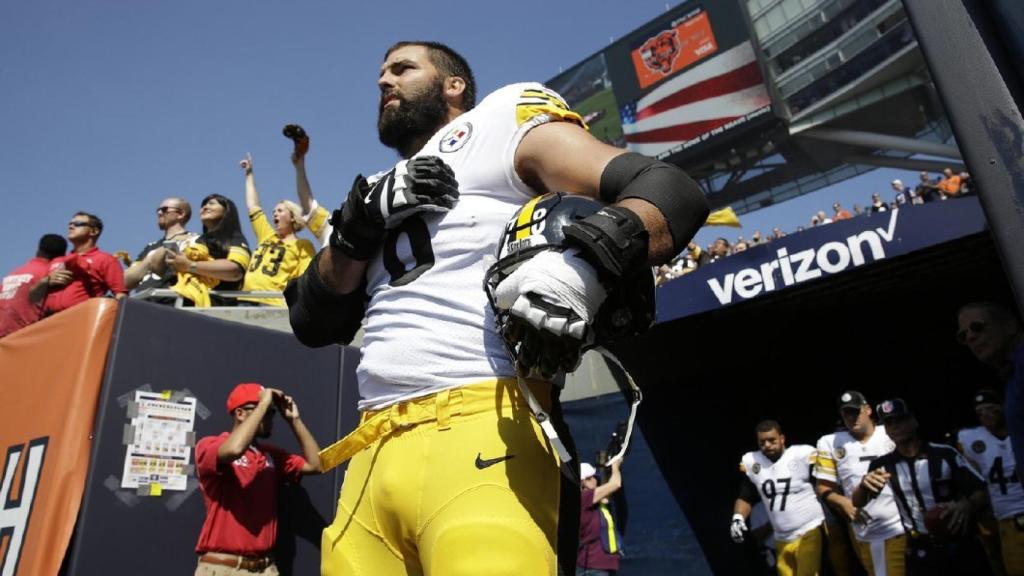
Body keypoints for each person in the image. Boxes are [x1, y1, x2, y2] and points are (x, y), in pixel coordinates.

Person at [285, 41, 708, 576]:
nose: (384, 81)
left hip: (488, 419)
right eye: (381, 73)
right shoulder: (371, 190)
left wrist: (584, 265)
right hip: (371, 447)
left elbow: (669, 191)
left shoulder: (499, 120)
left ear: (453, 84)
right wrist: (357, 227)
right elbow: (312, 319)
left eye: (402, 68)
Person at [194, 383, 323, 575]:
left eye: (272, 412)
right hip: (224, 567)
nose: (270, 417)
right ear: (240, 414)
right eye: (265, 411)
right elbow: (234, 449)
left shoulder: (271, 456)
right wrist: (264, 403)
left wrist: (294, 420)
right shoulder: (210, 444)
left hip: (265, 567)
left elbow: (317, 465)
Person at [853, 399, 989, 575]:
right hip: (920, 547)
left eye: (900, 420)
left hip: (959, 543)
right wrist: (863, 486)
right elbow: (858, 502)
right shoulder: (882, 465)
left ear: (914, 421)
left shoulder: (944, 454)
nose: (895, 427)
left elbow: (981, 490)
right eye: (889, 423)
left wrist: (967, 505)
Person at [816, 391, 906, 576]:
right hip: (863, 530)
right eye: (846, 414)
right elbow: (823, 487)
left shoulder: (888, 432)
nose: (851, 418)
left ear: (868, 410)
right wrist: (843, 502)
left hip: (899, 524)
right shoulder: (830, 442)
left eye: (855, 412)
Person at [731, 420, 825, 576]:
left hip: (810, 530)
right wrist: (738, 517)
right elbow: (745, 496)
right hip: (781, 538)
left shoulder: (801, 454)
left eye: (771, 440)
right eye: (762, 442)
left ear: (782, 438)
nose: (767, 445)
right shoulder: (753, 462)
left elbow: (826, 482)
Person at [958, 389, 1024, 575]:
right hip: (1006, 521)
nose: (985, 414)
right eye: (980, 412)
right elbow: (973, 480)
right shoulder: (970, 440)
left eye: (990, 408)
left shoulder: (1018, 428)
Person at [958, 302, 1024, 486]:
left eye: (977, 327)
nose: (970, 337)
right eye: (963, 335)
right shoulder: (1012, 373)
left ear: (1009, 326)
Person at [237, 154, 316, 306]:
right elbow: (253, 206)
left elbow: (305, 280)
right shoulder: (267, 235)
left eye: (280, 211)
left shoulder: (303, 245)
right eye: (274, 211)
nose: (274, 213)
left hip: (273, 304)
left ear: (292, 217)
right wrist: (249, 173)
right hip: (246, 299)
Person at [166, 194, 251, 307]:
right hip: (181, 301)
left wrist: (190, 265)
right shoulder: (195, 241)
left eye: (211, 203)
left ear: (226, 210)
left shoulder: (234, 238)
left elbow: (235, 270)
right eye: (203, 205)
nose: (205, 207)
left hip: (215, 307)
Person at [38, 211, 127, 316]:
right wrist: (46, 281)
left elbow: (120, 295)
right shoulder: (57, 261)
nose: (71, 226)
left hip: (80, 318)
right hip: (48, 320)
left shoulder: (106, 260)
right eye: (70, 224)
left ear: (93, 231)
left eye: (77, 224)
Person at [123, 197, 198, 303]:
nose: (159, 213)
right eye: (158, 210)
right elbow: (125, 281)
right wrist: (150, 260)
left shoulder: (194, 240)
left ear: (181, 214)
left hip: (171, 305)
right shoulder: (150, 246)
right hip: (142, 304)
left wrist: (143, 267)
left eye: (164, 209)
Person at [0, 234, 67, 338]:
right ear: (61, 257)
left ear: (38, 250)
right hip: (21, 338)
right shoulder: (50, 274)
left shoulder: (13, 274)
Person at [577, 460, 623, 576]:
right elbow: (615, 484)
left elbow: (608, 491)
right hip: (593, 567)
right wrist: (615, 467)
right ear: (583, 482)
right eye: (591, 478)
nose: (595, 480)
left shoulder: (594, 500)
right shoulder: (584, 498)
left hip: (601, 566)